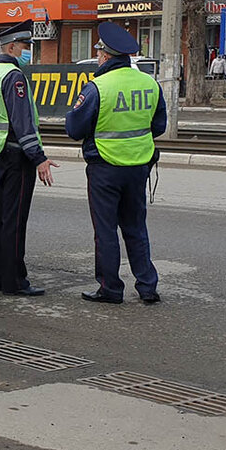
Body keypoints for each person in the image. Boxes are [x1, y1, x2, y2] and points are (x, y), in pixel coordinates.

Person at [65, 21, 166, 305]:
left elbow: (74, 130)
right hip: (139, 168)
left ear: (106, 56)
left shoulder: (98, 87)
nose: (97, 57)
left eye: (99, 53)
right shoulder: (150, 83)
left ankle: (110, 288)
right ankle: (147, 286)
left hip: (105, 169)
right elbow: (158, 126)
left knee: (106, 230)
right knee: (136, 228)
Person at [0, 19, 59, 297]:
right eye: (26, 46)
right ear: (12, 46)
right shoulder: (15, 77)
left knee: (1, 219)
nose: (29, 50)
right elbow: (23, 123)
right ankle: (15, 282)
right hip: (17, 157)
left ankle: (0, 279)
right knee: (15, 222)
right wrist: (39, 158)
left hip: (0, 154)